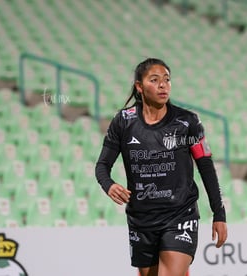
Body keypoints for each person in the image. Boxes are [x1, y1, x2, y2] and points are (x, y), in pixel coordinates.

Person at [95, 58, 227, 276]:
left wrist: (219, 213)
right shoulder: (123, 121)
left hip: (179, 215)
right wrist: (108, 185)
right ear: (139, 86)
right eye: (154, 80)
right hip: (141, 220)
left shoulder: (188, 122)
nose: (163, 85)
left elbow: (206, 167)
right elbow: (102, 166)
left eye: (167, 80)